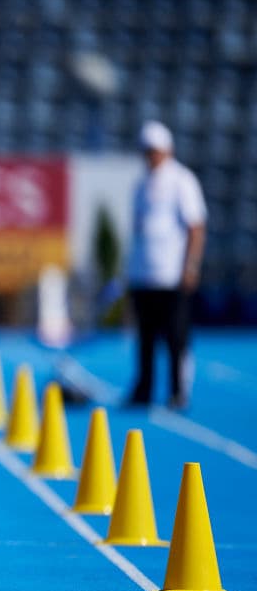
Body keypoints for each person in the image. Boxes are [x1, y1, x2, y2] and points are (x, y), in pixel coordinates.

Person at [125, 120, 206, 410]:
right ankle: (143, 388)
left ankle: (177, 390)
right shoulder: (141, 184)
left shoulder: (182, 180)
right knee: (145, 338)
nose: (149, 156)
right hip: (143, 274)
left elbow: (196, 227)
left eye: (154, 150)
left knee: (175, 336)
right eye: (146, 150)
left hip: (171, 274)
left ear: (166, 150)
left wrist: (191, 266)